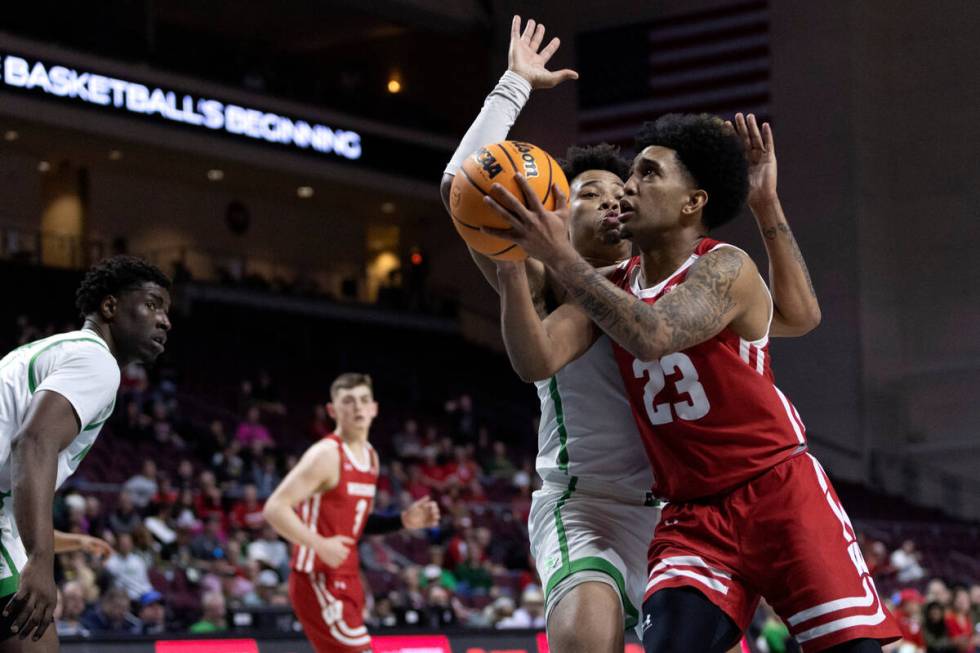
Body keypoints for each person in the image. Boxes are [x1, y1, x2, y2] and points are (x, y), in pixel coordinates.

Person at [441, 15, 821, 653]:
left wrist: (765, 204)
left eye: (624, 190)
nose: (614, 199)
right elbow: (462, 187)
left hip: (683, 511)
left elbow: (796, 316)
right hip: (585, 503)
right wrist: (512, 86)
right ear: (555, 208)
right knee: (587, 639)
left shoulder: (671, 285)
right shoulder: (552, 278)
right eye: (590, 191)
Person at [482, 111, 899, 652]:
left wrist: (765, 203)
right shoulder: (611, 286)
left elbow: (655, 334)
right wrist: (514, 262)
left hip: (777, 490)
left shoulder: (724, 266)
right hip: (691, 514)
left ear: (692, 202)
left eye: (648, 174)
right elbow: (537, 360)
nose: (627, 186)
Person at [0, 255, 171, 649]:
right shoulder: (96, 360)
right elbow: (33, 443)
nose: (165, 320)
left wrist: (70, 542)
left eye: (166, 310)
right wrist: (41, 562)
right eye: (152, 304)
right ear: (109, 306)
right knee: (35, 636)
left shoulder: (63, 350)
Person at [262, 373, 439, 653]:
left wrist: (402, 520)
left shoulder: (370, 456)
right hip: (316, 578)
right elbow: (274, 508)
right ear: (332, 411)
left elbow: (357, 522)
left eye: (363, 400)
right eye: (348, 401)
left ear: (374, 408)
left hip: (348, 576)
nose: (357, 408)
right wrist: (319, 543)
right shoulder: (326, 455)